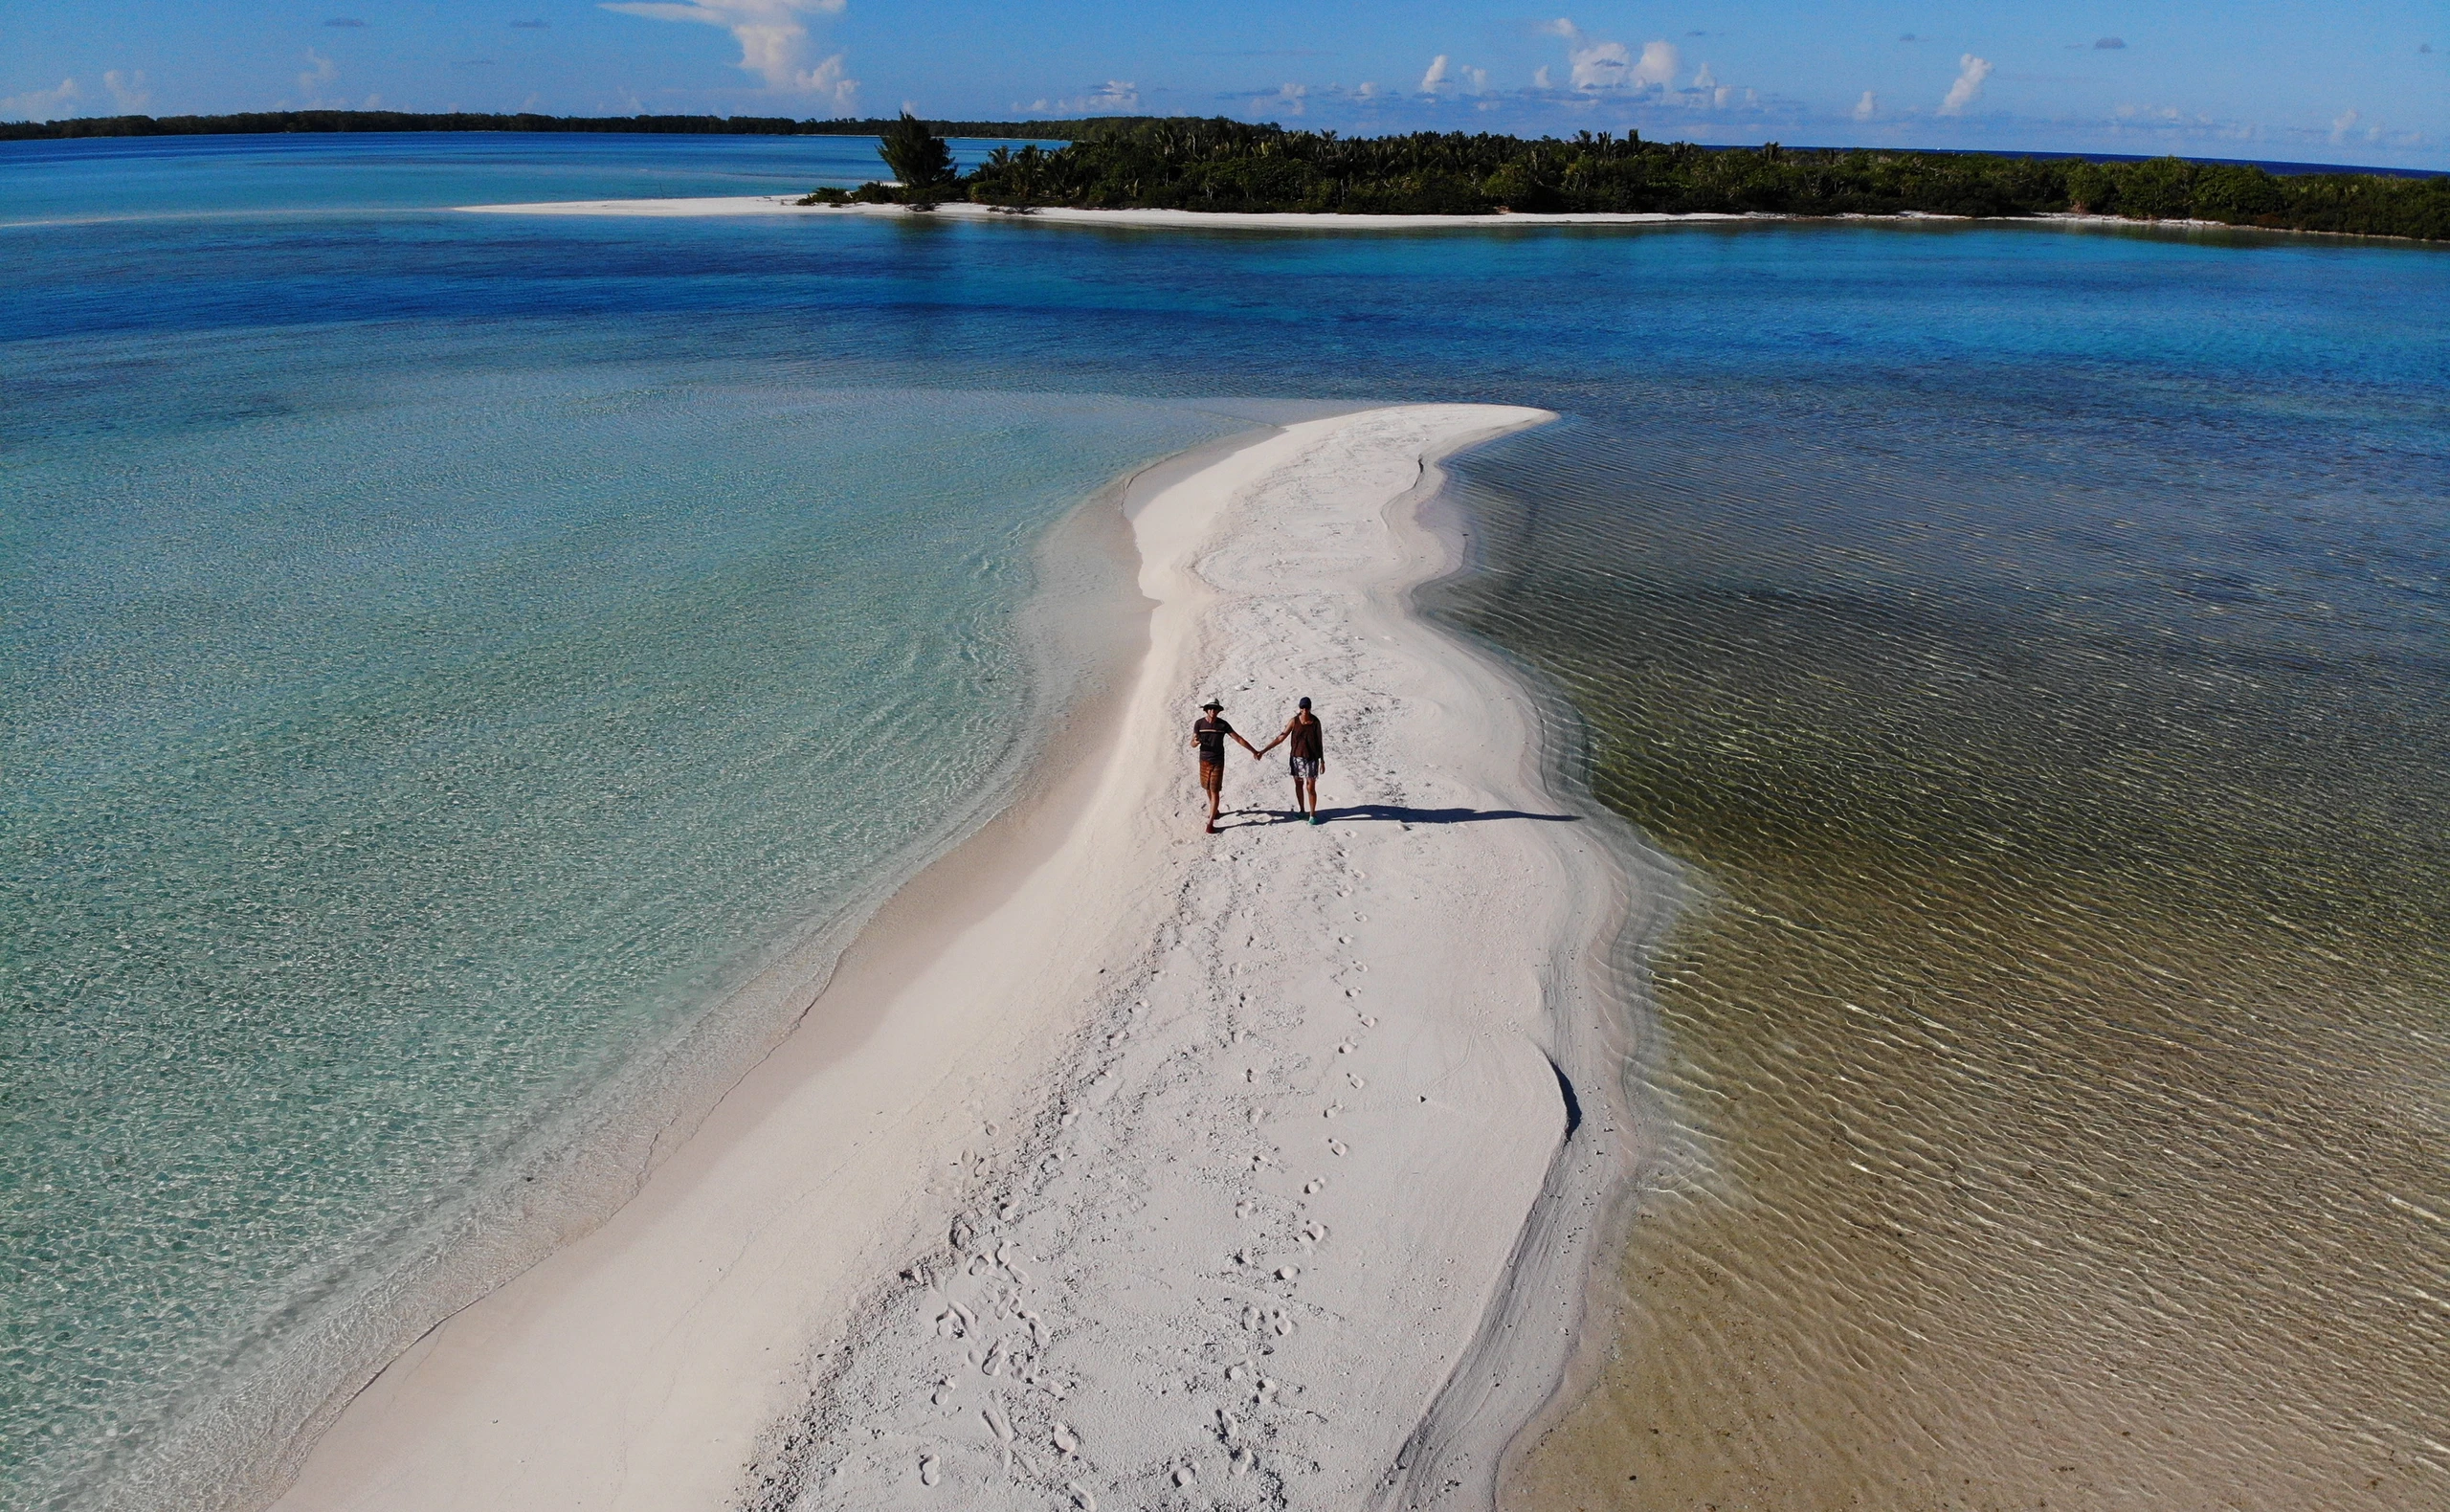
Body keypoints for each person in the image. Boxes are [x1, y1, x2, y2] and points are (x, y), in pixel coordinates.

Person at [1190, 700, 1258, 834]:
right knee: (1207, 787)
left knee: (1214, 790)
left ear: (1218, 711)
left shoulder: (1222, 725)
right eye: (1211, 709)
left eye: (1215, 709)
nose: (1213, 712)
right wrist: (1196, 742)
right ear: (1207, 710)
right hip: (1203, 761)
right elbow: (1192, 743)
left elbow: (1238, 738)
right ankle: (1215, 810)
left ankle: (1210, 823)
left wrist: (1253, 751)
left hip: (1218, 761)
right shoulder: (1199, 723)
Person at [1256, 697, 1326, 824]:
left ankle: (1313, 814)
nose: (1305, 710)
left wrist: (1322, 761)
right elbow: (1280, 738)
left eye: (1307, 707)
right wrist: (1263, 751)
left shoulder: (1316, 722)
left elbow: (1319, 741)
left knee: (1311, 787)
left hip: (1312, 758)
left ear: (1310, 708)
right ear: (1299, 708)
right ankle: (1302, 811)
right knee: (1298, 784)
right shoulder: (1294, 721)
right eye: (1302, 707)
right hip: (1297, 757)